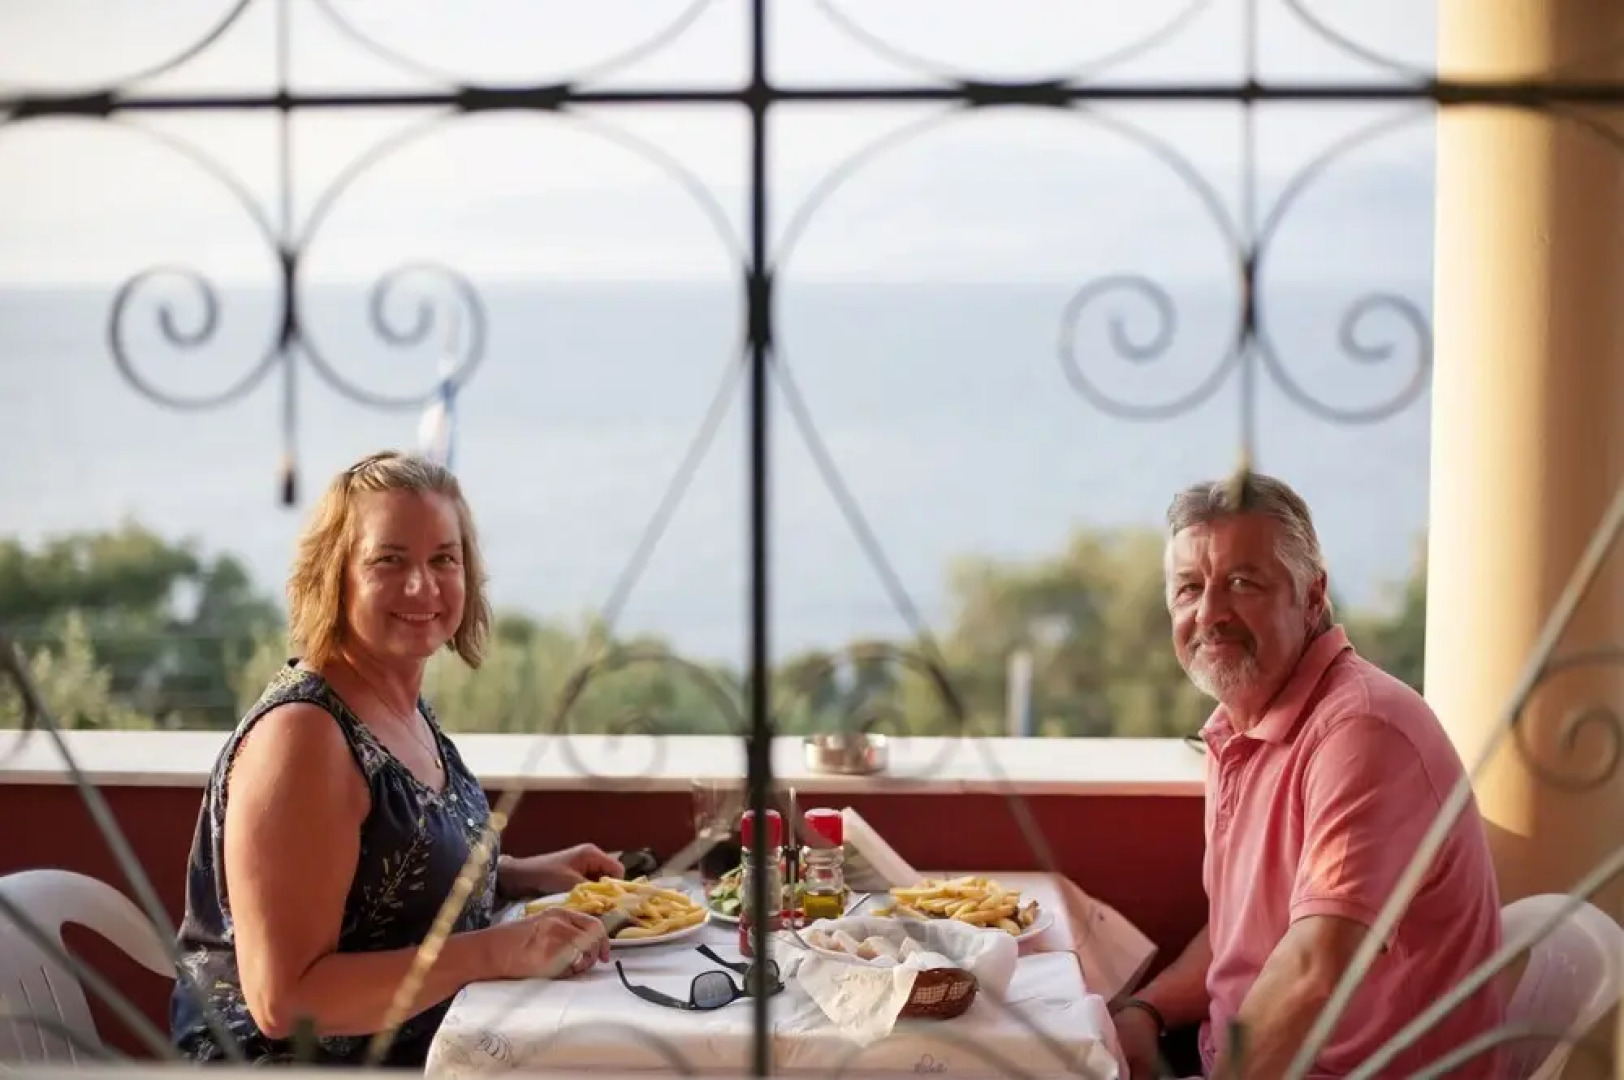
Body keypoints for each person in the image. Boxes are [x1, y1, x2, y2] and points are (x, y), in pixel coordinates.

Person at [172, 451, 622, 1067]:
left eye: (444, 559)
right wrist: (497, 949)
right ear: (336, 575)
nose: (423, 586)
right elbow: (285, 1000)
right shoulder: (304, 738)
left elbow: (380, 873)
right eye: (390, 560)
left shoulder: (397, 706)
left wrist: (520, 873)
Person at [1111, 474, 1504, 1080]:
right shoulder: (1239, 725)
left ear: (1313, 597)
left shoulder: (1364, 731)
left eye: (1242, 583)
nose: (1210, 613)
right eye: (1189, 588)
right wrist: (1148, 1010)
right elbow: (1244, 936)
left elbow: (1314, 968)